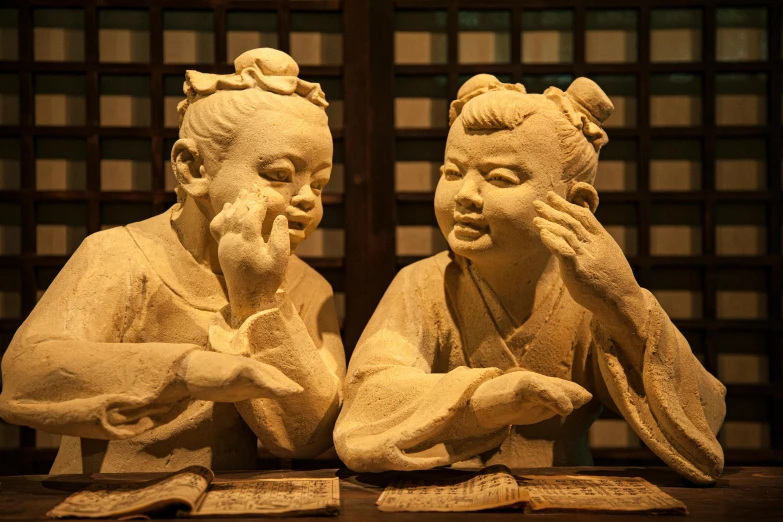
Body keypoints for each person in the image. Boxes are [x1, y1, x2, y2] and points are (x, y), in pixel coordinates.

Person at [334, 74, 726, 485]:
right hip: (448, 496)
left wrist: (624, 303)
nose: (466, 194)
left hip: (566, 496)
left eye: (500, 178)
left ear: (576, 203)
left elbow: (706, 422)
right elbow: (367, 403)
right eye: (452, 173)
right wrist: (484, 401)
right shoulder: (422, 284)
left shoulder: (590, 295)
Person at [0, 49, 345, 473]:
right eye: (278, 174)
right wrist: (184, 370)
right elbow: (26, 374)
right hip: (103, 498)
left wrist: (258, 299)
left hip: (226, 499)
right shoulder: (120, 255)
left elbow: (309, 436)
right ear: (194, 167)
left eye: (321, 183)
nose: (307, 198)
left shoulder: (305, 286)